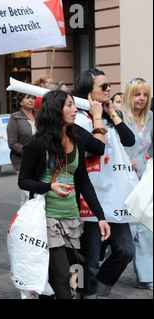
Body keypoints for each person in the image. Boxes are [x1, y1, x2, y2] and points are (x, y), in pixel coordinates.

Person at [18, 90, 111, 299]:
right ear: (55, 110)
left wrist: (100, 216)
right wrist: (49, 187)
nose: (75, 109)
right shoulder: (37, 143)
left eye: (73, 105)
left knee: (73, 274)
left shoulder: (76, 139)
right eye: (69, 105)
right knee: (62, 276)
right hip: (47, 219)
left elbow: (84, 182)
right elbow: (23, 181)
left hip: (72, 219)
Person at [74, 68, 136, 299]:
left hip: (114, 198)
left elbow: (129, 140)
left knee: (126, 250)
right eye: (103, 87)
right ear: (88, 93)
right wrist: (97, 116)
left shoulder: (110, 116)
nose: (109, 89)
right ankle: (86, 293)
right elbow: (95, 148)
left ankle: (98, 289)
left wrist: (112, 113)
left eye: (109, 85)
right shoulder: (79, 119)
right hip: (90, 200)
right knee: (89, 260)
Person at [120, 78, 153, 290]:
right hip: (123, 182)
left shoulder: (151, 118)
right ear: (129, 96)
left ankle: (146, 276)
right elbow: (110, 147)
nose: (141, 99)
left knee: (146, 229)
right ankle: (99, 269)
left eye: (145, 95)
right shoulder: (119, 117)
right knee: (125, 233)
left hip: (145, 183)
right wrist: (125, 159)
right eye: (137, 94)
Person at [7, 93, 37, 172]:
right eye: (27, 98)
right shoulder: (15, 117)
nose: (31, 100)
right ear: (20, 102)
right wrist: (28, 152)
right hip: (22, 162)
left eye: (33, 98)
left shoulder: (40, 115)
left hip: (41, 160)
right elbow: (12, 143)